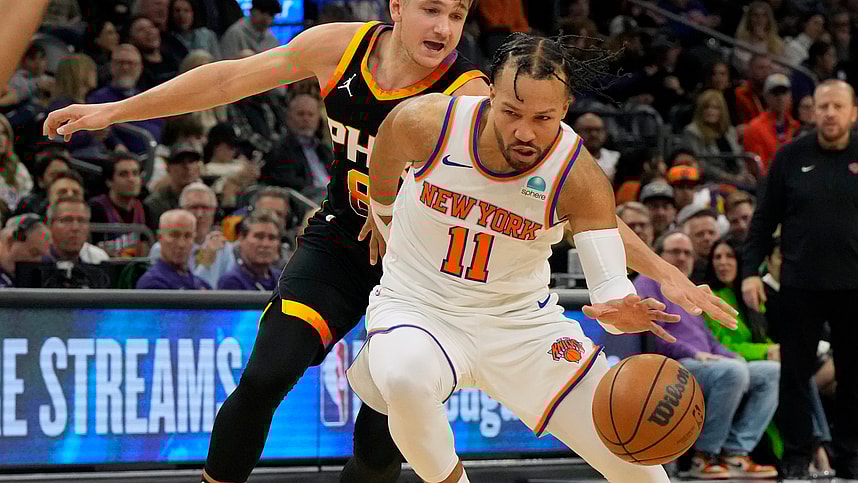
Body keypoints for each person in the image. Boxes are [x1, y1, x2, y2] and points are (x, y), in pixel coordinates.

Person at [44, 4, 736, 482]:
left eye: (457, 16)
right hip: (347, 241)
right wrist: (115, 110)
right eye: (431, 9)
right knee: (266, 375)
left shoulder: (478, 98)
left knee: (382, 436)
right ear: (395, 8)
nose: (443, 28)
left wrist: (654, 273)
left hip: (433, 270)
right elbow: (228, 78)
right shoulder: (339, 48)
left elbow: (579, 199)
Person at [349, 32, 738, 483]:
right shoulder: (427, 123)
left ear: (565, 108)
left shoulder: (578, 176)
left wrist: (619, 311)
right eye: (511, 112)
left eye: (543, 118)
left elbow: (609, 285)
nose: (524, 131)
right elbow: (384, 156)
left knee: (643, 473)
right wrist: (382, 213)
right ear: (490, 94)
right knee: (404, 378)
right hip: (419, 306)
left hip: (522, 326)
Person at [742, 79, 858, 479]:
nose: (830, 113)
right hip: (800, 284)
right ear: (813, 111)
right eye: (823, 106)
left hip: (853, 285)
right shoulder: (791, 156)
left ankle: (850, 454)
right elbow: (763, 220)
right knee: (794, 374)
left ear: (853, 112)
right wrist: (749, 272)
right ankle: (795, 457)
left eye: (838, 106)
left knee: (853, 375)